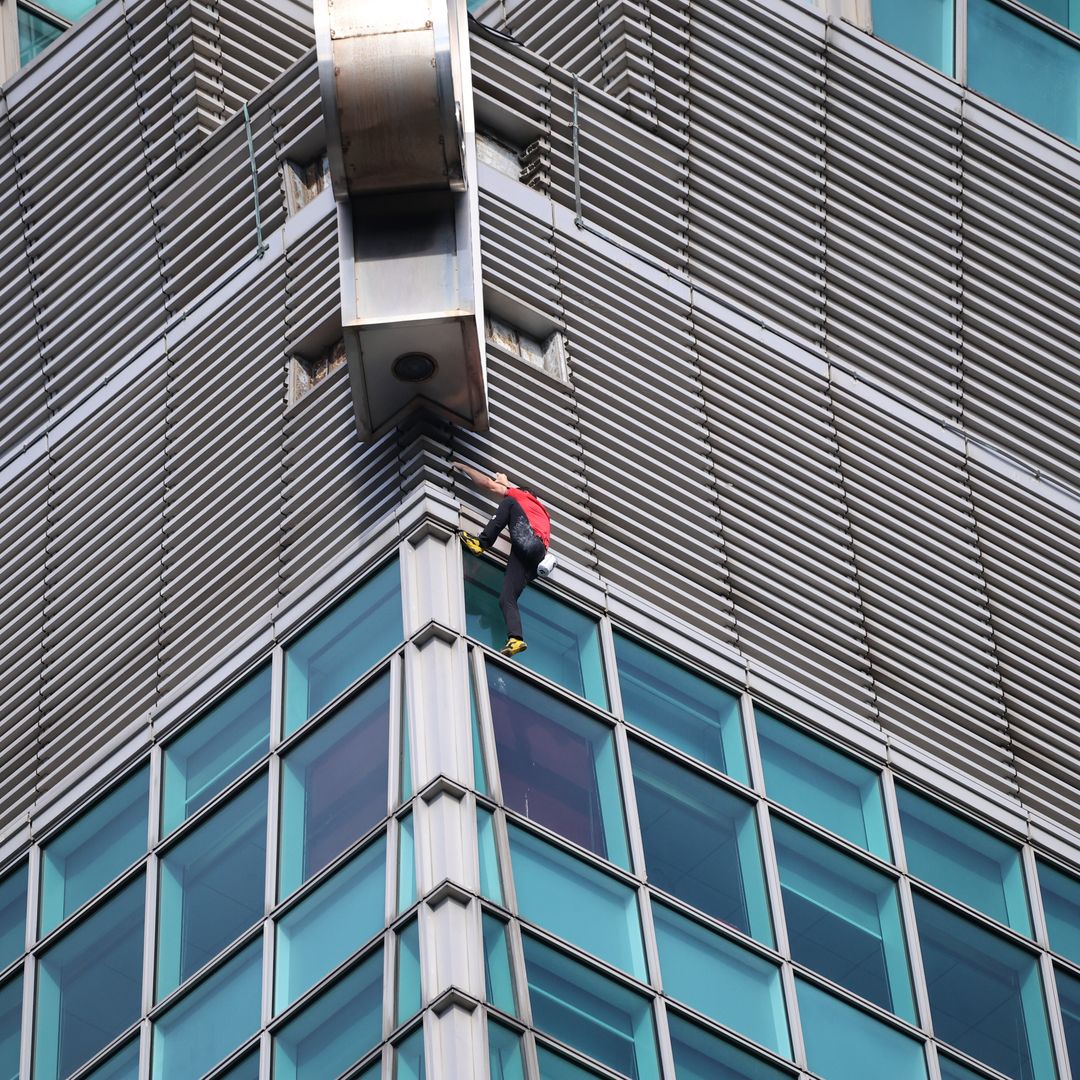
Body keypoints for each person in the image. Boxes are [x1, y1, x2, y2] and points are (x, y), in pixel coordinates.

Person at [452, 461, 551, 656]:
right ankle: (516, 638)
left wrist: (463, 467)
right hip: (535, 555)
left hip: (529, 541)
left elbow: (487, 484)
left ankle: (482, 543)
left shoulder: (521, 495)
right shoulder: (540, 513)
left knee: (508, 503)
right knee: (507, 597)